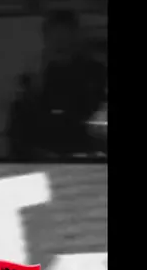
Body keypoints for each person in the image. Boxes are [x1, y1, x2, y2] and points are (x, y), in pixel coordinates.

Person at [7, 9, 106, 160]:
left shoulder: (95, 72)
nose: (60, 43)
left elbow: (96, 111)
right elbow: (21, 122)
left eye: (65, 35)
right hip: (42, 150)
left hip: (83, 146)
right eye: (54, 36)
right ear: (46, 38)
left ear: (74, 36)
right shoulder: (33, 75)